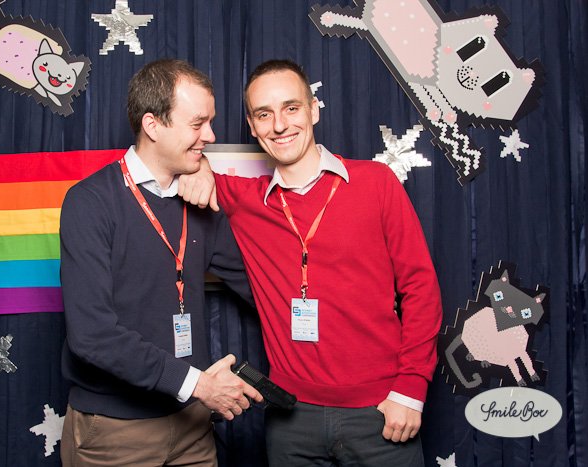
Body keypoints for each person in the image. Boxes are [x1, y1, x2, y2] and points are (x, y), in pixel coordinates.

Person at [179, 59, 443, 466]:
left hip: (381, 411)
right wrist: (198, 169)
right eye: (264, 115)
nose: (279, 125)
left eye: (291, 108)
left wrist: (410, 390)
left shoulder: (375, 183)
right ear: (252, 127)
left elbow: (421, 289)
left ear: (313, 110)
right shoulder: (247, 199)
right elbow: (165, 161)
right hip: (291, 420)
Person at [59, 58, 262, 467]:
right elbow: (92, 336)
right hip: (114, 433)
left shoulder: (200, 200)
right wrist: (198, 384)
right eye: (198, 124)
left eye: (210, 122)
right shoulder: (90, 202)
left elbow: (261, 285)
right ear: (152, 125)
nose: (211, 135)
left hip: (192, 427)